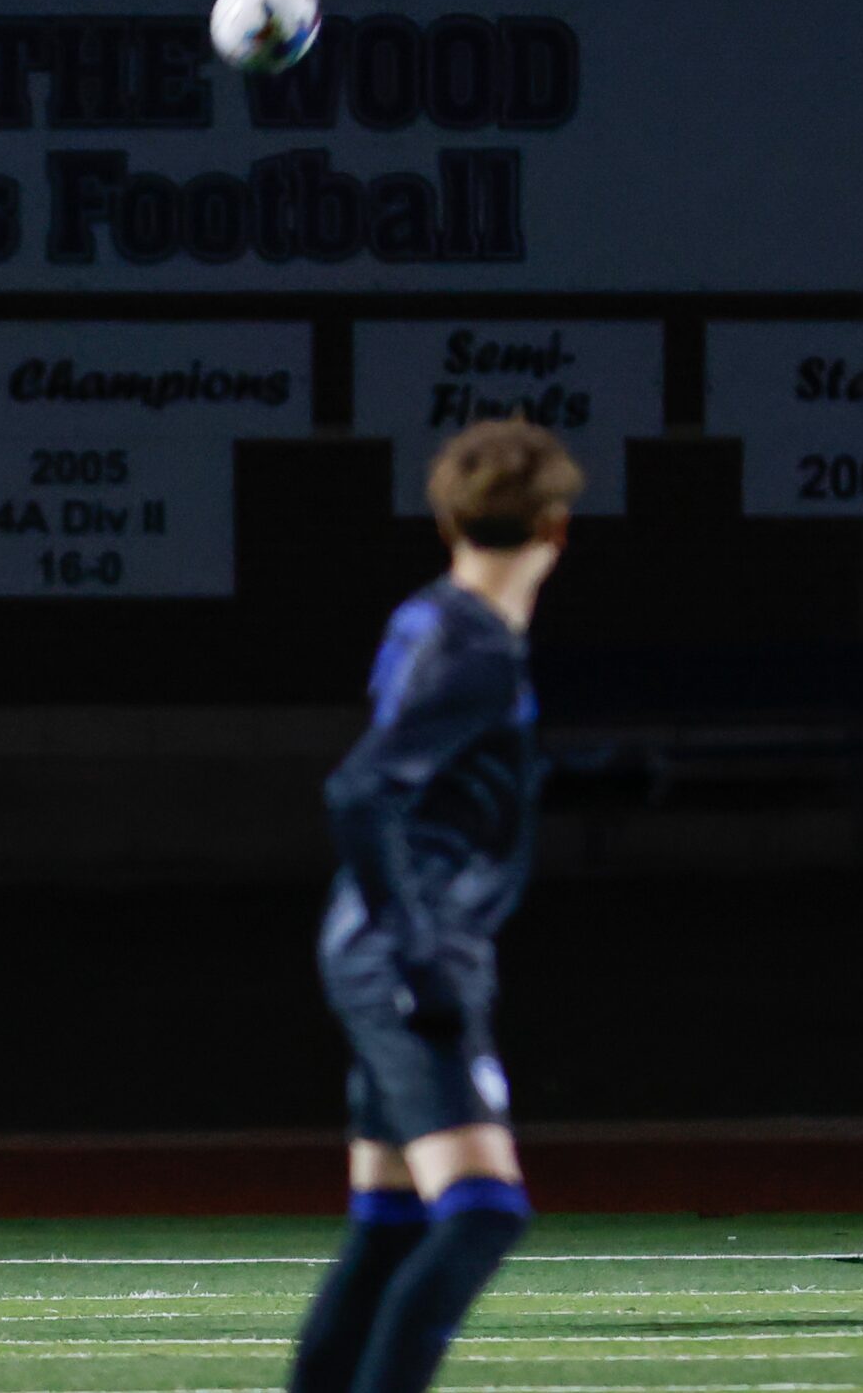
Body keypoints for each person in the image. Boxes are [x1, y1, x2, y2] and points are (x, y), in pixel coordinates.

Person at [290, 419, 584, 1393]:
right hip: (404, 951)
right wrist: (421, 956)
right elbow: (360, 791)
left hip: (372, 939)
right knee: (482, 1212)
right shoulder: (477, 650)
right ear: (554, 527)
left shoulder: (430, 614)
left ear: (446, 517)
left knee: (387, 1230)